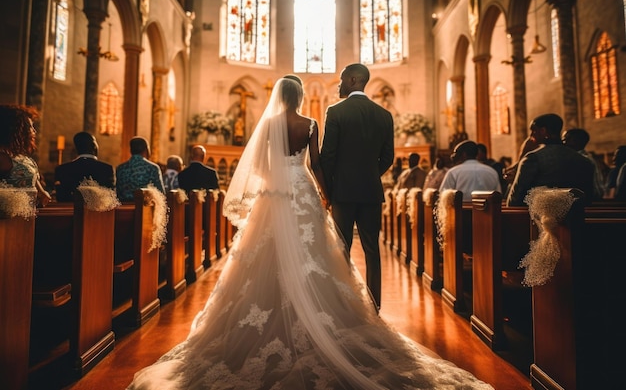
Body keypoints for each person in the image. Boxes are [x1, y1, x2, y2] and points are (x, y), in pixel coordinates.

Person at [127, 77, 493, 390]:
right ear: (300, 97)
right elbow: (316, 163)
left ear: (277, 96)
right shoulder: (310, 123)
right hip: (301, 187)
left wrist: (272, 184)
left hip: (274, 192)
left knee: (262, 255)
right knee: (313, 253)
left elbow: (258, 165)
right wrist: (326, 193)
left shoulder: (268, 124)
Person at [320, 63, 394, 311]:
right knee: (372, 249)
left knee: (342, 249)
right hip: (371, 192)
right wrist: (371, 175)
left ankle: (342, 304)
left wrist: (328, 190)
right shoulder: (384, 115)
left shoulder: (336, 112)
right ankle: (375, 304)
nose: (339, 84)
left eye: (341, 79)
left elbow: (327, 156)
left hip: (343, 191)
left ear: (353, 80)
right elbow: (388, 157)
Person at [506, 113, 595, 206]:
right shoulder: (584, 160)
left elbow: (515, 199)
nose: (531, 135)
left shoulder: (532, 158)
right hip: (574, 217)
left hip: (540, 217)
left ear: (543, 131)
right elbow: (587, 197)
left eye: (533, 131)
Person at [0, 104, 51, 206]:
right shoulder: (2, 157)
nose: (34, 131)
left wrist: (43, 196)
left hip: (29, 216)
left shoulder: (24, 159)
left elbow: (41, 194)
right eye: (31, 127)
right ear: (17, 130)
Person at [54, 131, 115, 202]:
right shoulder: (107, 169)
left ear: (76, 149)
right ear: (94, 147)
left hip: (70, 211)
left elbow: (61, 198)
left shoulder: (62, 169)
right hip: (99, 212)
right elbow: (111, 198)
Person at [116, 136, 165, 202]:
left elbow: (117, 193)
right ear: (146, 150)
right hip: (145, 209)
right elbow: (161, 194)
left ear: (130, 150)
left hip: (122, 208)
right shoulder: (152, 168)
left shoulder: (120, 168)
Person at [561, 128, 605, 201]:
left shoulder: (583, 160)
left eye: (566, 139)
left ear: (577, 142)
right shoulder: (587, 159)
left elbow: (595, 190)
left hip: (585, 203)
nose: (563, 143)